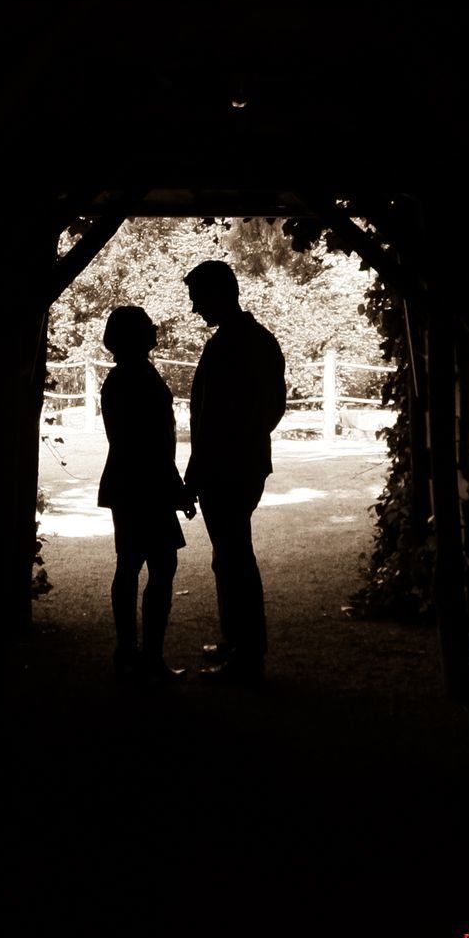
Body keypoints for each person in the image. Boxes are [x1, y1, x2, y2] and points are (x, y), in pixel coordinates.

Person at [183, 261, 286, 683]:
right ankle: (238, 642)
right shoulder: (260, 340)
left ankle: (247, 654)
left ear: (217, 295)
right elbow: (273, 407)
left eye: (198, 299)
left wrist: (196, 472)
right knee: (229, 554)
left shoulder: (228, 346)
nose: (195, 309)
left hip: (224, 468)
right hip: (246, 463)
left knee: (234, 556)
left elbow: (212, 421)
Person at [97, 306, 196, 683]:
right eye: (147, 325)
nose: (155, 328)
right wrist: (176, 488)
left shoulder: (122, 377)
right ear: (136, 336)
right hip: (146, 485)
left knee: (130, 564)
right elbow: (152, 445)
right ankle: (149, 657)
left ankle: (128, 652)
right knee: (160, 565)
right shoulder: (138, 377)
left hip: (128, 482)